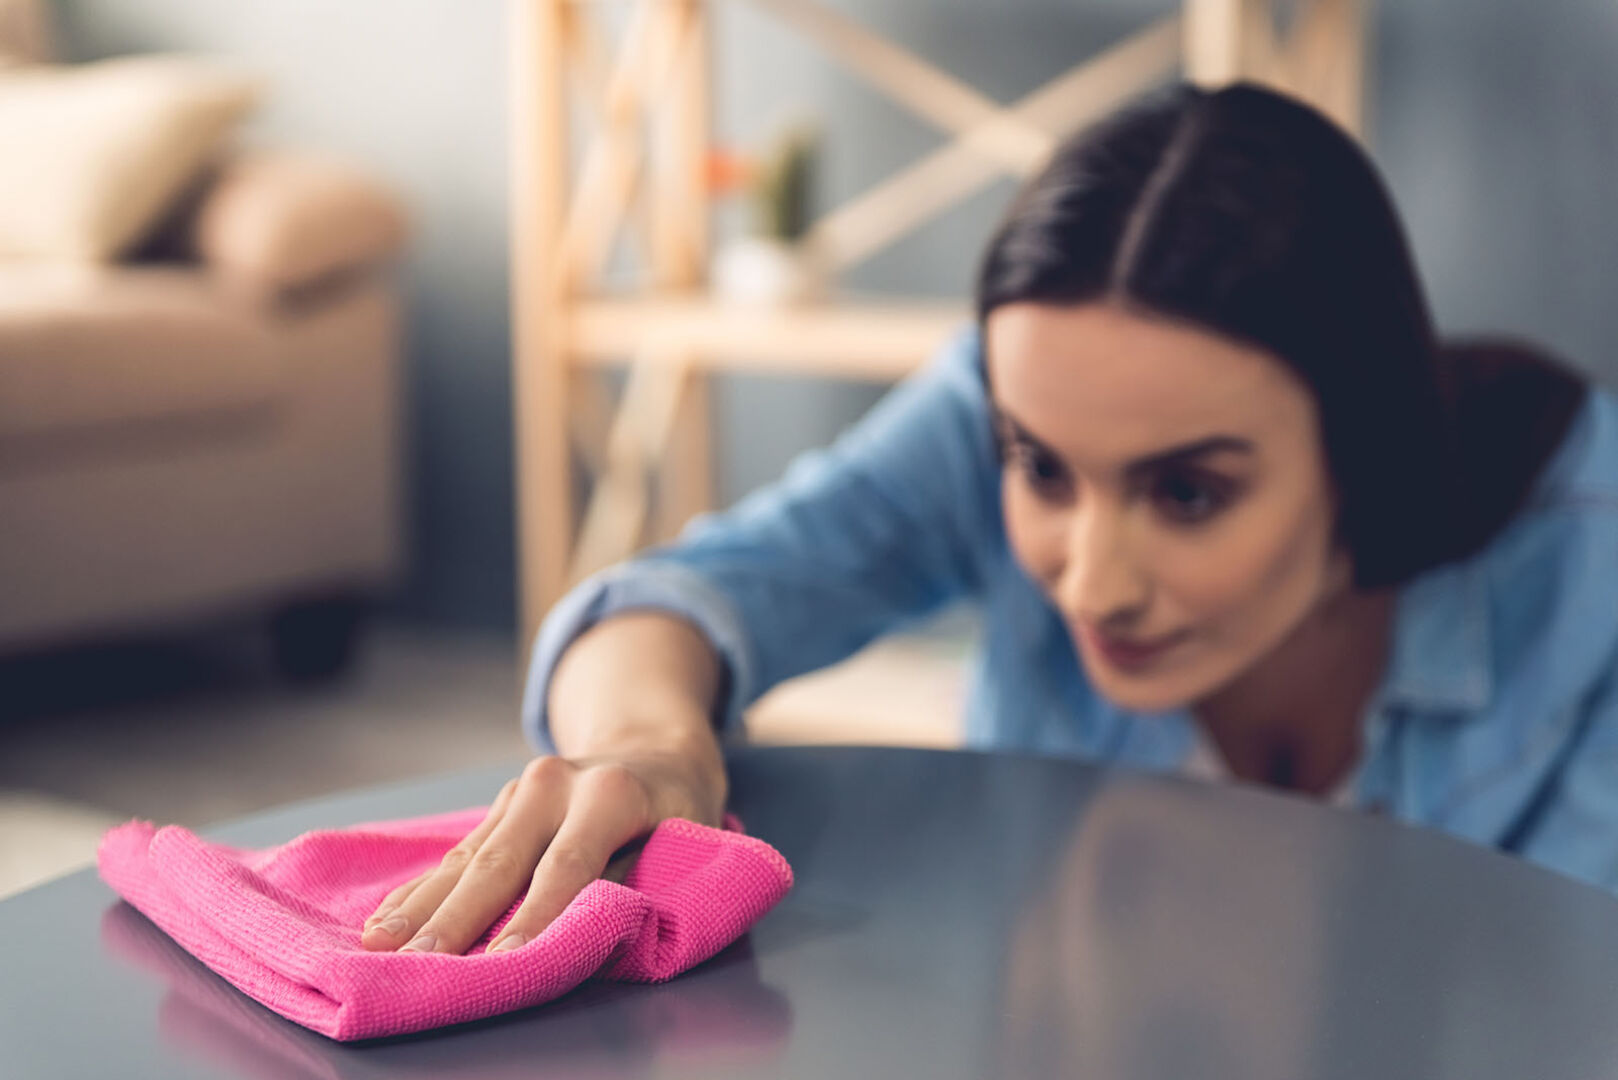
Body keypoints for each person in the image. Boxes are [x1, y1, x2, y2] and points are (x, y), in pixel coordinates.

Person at [362, 82, 1618, 958]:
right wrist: (644, 745)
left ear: (1363, 447)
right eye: (1040, 468)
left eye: (1188, 493)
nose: (1092, 580)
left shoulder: (1589, 569)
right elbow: (698, 592)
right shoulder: (1014, 388)